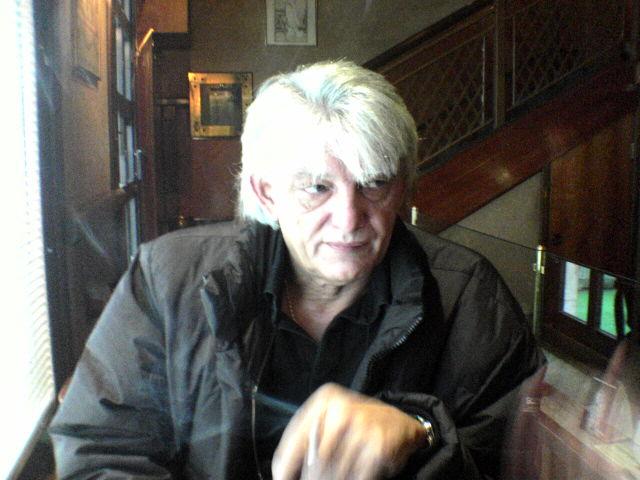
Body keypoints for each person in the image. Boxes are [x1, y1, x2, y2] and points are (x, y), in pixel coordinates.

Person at [50, 60, 544, 479]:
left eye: (373, 183)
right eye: (317, 187)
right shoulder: (168, 279)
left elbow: (513, 460)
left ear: (402, 187)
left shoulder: (468, 297)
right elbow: (101, 452)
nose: (349, 218)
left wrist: (423, 433)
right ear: (267, 194)